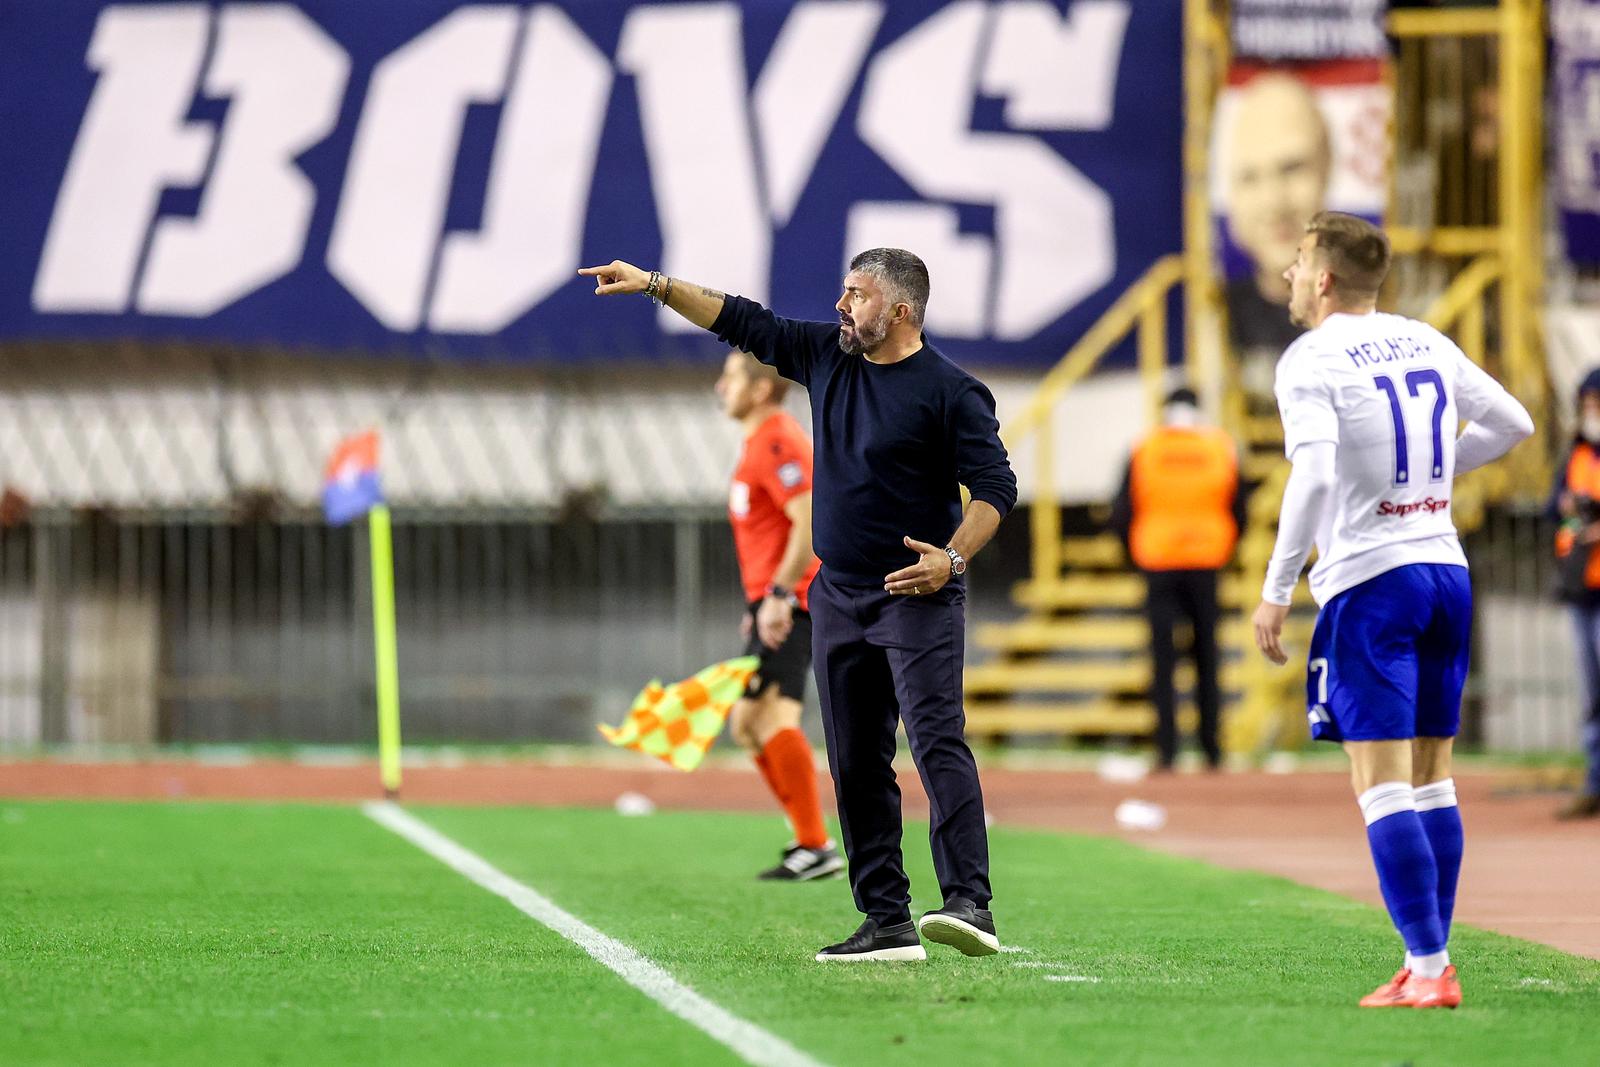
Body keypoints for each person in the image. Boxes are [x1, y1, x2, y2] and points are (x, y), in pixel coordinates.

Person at [580, 249, 1017, 963]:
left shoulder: (951, 391)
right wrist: (655, 285)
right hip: (838, 594)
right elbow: (740, 319)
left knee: (936, 741)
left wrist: (953, 557)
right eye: (844, 292)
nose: (842, 306)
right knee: (853, 759)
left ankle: (971, 902)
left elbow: (997, 489)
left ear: (900, 311)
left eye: (858, 295)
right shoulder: (825, 356)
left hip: (917, 593)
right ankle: (887, 920)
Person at [1251, 212, 1533, 1009]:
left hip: (1374, 583)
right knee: (1434, 778)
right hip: (1446, 569)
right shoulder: (1425, 340)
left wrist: (1276, 588)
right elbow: (1516, 423)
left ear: (1326, 279)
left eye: (1299, 261)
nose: (1289, 276)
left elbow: (1310, 477)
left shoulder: (1311, 357)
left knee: (1379, 785)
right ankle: (1426, 962)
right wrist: (1436, 475)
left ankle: (1431, 966)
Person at [713, 349, 843, 877]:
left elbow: (809, 523)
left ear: (761, 389)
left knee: (769, 717)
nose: (721, 388)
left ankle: (815, 845)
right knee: (746, 722)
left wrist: (781, 596)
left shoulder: (777, 441)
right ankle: (811, 843)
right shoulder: (758, 445)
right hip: (777, 599)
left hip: (798, 600)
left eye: (730, 378)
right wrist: (761, 599)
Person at [1110, 386, 1244, 770]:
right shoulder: (1220, 447)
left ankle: (1166, 750)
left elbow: (1122, 510)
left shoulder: (1145, 448)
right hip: (1207, 561)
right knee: (1207, 657)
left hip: (1158, 562)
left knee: (1162, 659)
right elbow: (1240, 507)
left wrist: (1134, 557)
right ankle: (1212, 749)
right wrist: (1226, 552)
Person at [1223, 74, 1332, 367]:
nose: (1274, 203)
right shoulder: (1208, 318)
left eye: (1291, 169)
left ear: (1328, 168)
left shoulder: (1381, 311)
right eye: (1250, 178)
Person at [1548, 368, 1600, 820]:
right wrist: (1568, 512)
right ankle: (1594, 782)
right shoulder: (1576, 455)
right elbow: (1552, 509)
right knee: (1591, 694)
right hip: (1581, 586)